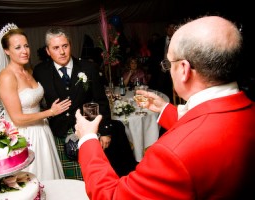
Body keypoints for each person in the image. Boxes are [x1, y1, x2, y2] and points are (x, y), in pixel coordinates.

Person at [74, 16, 255, 199]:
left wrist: (88, 139)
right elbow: (213, 127)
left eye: (168, 63)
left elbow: (112, 196)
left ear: (184, 69)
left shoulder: (171, 154)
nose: (168, 70)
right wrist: (165, 110)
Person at [33, 27, 137, 180]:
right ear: (48, 51)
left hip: (88, 130)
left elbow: (100, 100)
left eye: (65, 46)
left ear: (70, 45)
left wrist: (106, 131)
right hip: (58, 133)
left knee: (93, 177)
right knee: (69, 181)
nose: (62, 52)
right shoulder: (40, 71)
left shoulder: (88, 68)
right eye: (56, 48)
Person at [0, 23, 69, 181]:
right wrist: (51, 112)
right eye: (18, 47)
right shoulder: (6, 77)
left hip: (42, 131)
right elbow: (17, 118)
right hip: (24, 136)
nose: (24, 51)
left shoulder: (29, 71)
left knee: (50, 178)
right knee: (32, 180)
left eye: (26, 46)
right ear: (6, 51)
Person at [148, 21, 177, 104]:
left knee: (172, 94)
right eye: (169, 27)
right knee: (161, 92)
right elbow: (154, 56)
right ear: (166, 29)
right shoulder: (159, 41)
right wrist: (161, 64)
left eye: (173, 27)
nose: (171, 30)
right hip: (161, 71)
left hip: (174, 72)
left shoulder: (179, 41)